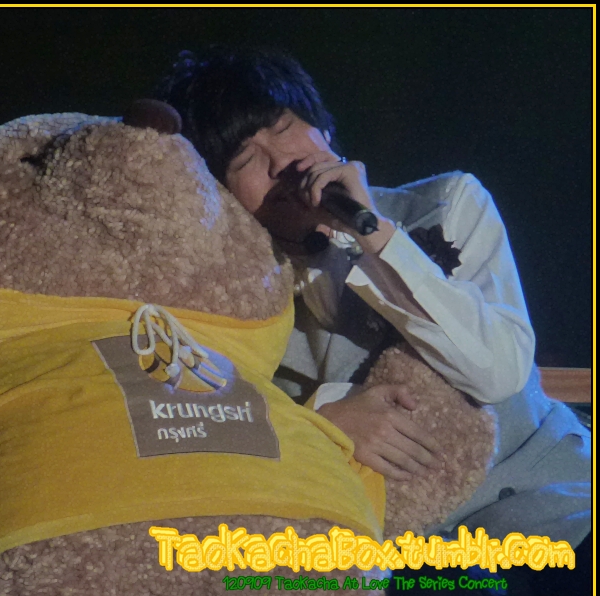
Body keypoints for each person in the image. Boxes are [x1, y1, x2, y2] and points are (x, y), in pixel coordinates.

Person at [154, 47, 590, 549]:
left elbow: (499, 372)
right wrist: (319, 417)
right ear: (221, 196)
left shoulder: (446, 204)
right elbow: (195, 420)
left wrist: (378, 237)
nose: (282, 161)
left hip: (560, 497)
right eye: (246, 159)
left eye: (283, 127)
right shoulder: (224, 292)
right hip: (400, 548)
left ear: (324, 130)